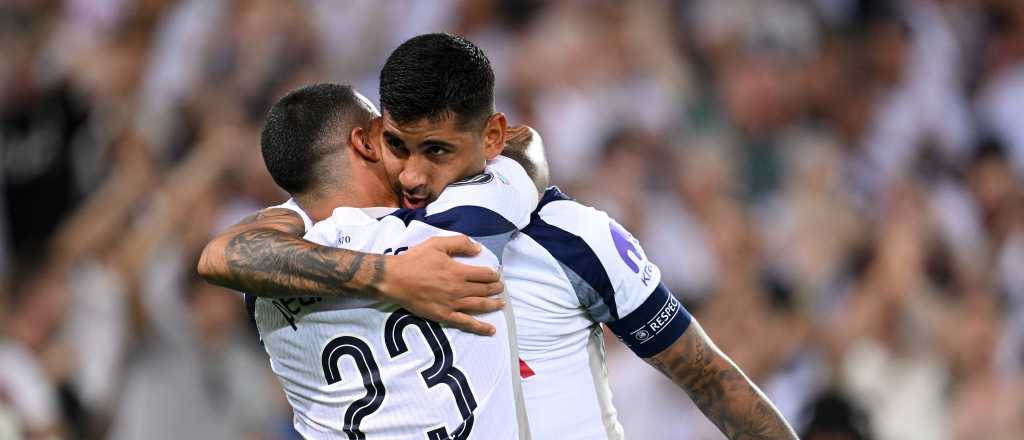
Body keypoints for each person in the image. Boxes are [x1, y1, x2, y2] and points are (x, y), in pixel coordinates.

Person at [201, 33, 798, 439]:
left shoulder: (285, 264)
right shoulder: (506, 211)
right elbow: (522, 160)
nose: (412, 174)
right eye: (398, 146)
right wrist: (398, 275)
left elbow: (707, 376)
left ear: (488, 138)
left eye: (435, 151)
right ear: (372, 137)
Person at [201, 82, 537, 439]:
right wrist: (394, 275)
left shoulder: (269, 283)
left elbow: (221, 255)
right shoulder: (461, 219)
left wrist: (382, 273)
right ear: (364, 142)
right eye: (389, 132)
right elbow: (523, 153)